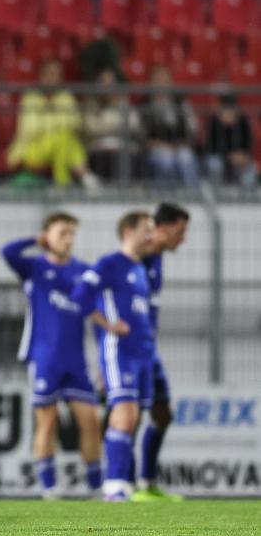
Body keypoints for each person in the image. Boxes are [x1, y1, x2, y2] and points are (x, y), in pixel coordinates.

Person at [1, 212, 108, 499]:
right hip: (43, 356)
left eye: (72, 233)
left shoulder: (84, 273)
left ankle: (96, 486)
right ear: (48, 235)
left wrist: (103, 362)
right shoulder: (33, 268)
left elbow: (98, 316)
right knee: (48, 422)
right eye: (63, 233)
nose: (69, 239)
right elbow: (7, 252)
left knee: (91, 421)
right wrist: (35, 241)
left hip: (76, 360)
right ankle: (49, 488)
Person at [72, 211, 156, 502]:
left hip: (141, 352)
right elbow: (80, 295)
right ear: (129, 231)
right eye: (147, 229)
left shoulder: (140, 269)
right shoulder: (110, 263)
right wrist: (107, 325)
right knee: (124, 412)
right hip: (119, 350)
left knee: (134, 416)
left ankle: (123, 481)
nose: (151, 235)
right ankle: (114, 485)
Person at [131, 202, 190, 503]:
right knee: (126, 414)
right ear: (163, 229)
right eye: (180, 232)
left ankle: (147, 482)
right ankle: (119, 484)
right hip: (129, 350)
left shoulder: (157, 258)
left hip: (148, 349)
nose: (184, 238)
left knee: (162, 413)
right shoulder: (135, 257)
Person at [6, 58, 100, 191]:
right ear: (42, 76)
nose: (54, 79)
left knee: (64, 139)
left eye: (57, 75)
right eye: (50, 74)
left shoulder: (65, 97)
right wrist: (56, 122)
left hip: (59, 146)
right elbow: (31, 129)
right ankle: (84, 176)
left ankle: (63, 183)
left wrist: (48, 120)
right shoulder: (30, 98)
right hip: (32, 148)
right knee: (64, 139)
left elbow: (74, 124)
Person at [141, 65, 199, 189]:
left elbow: (191, 129)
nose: (161, 84)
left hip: (179, 146)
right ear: (151, 83)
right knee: (165, 159)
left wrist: (182, 143)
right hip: (156, 148)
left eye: (164, 80)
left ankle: (192, 195)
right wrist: (158, 144)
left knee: (186, 157)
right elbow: (142, 134)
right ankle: (166, 197)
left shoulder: (181, 103)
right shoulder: (144, 104)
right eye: (158, 80)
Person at [82, 68, 143, 181]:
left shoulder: (123, 103)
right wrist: (117, 126)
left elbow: (133, 124)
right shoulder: (91, 105)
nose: (107, 87)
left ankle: (130, 192)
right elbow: (90, 128)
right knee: (103, 157)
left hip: (122, 147)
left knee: (130, 156)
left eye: (110, 83)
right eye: (104, 83)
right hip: (98, 148)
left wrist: (103, 124)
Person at [204, 94, 257, 190]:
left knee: (250, 167)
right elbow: (209, 147)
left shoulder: (242, 121)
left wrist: (245, 155)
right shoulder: (214, 122)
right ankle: (216, 192)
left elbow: (249, 142)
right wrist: (228, 156)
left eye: (231, 111)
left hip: (238, 158)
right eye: (225, 111)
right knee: (215, 164)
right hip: (219, 157)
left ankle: (246, 196)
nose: (228, 115)